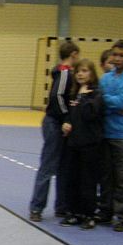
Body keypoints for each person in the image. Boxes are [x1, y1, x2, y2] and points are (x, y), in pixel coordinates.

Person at [29, 40, 79, 222]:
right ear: (74, 54)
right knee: (48, 165)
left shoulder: (66, 73)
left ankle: (61, 207)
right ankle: (37, 207)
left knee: (63, 167)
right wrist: (66, 117)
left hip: (59, 123)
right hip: (54, 123)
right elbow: (57, 96)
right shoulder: (65, 73)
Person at [96, 40, 123, 231]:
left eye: (122, 55)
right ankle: (105, 210)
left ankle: (122, 215)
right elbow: (98, 100)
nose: (118, 58)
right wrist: (113, 105)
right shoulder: (106, 78)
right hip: (106, 132)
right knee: (105, 176)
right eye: (115, 54)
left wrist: (110, 102)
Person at [59, 59, 104, 229]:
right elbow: (71, 114)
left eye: (84, 71)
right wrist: (66, 122)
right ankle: (73, 212)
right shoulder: (74, 94)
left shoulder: (95, 94)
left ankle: (88, 214)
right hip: (74, 143)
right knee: (72, 179)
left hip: (90, 143)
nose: (80, 74)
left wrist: (84, 97)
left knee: (88, 180)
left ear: (92, 74)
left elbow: (90, 114)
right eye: (78, 71)